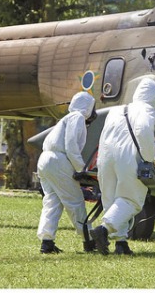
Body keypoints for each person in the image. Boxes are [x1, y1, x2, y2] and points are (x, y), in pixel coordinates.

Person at [91, 77, 155, 255]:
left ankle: (121, 244)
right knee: (131, 200)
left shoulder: (116, 110)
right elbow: (143, 131)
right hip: (129, 159)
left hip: (106, 157)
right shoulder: (146, 110)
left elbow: (104, 134)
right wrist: (148, 159)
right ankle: (104, 229)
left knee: (112, 199)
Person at [36, 91, 97, 254]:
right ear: (87, 106)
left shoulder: (66, 119)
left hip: (45, 160)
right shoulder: (77, 117)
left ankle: (46, 242)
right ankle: (89, 241)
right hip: (59, 160)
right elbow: (71, 146)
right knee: (75, 202)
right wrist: (81, 169)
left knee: (52, 202)